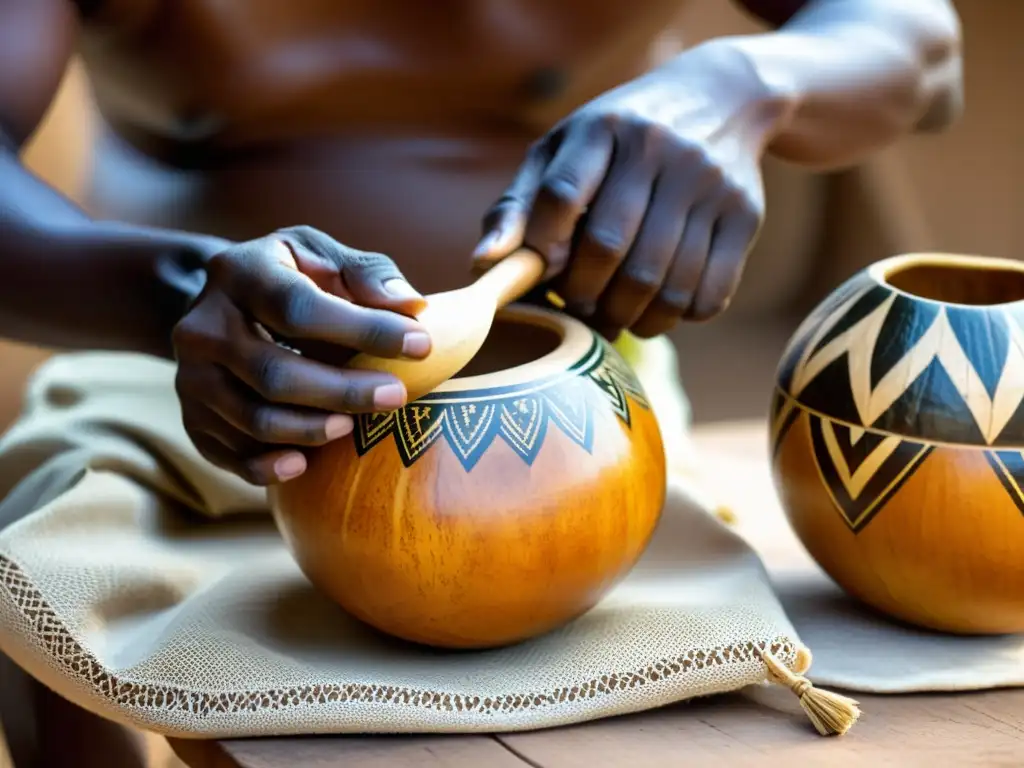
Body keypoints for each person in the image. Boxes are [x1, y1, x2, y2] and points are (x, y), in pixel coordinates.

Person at [0, 0, 962, 764]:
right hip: (183, 380)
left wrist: (751, 86)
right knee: (32, 583)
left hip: (567, 409)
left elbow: (925, 46)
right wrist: (176, 293)